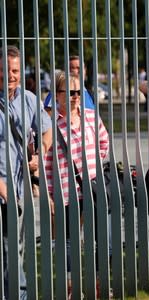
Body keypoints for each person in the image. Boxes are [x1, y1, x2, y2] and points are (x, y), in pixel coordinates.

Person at [43, 71, 109, 297]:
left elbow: (104, 142)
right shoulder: (49, 123)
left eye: (78, 92)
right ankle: (72, 287)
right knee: (70, 241)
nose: (75, 96)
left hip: (92, 187)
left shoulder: (91, 116)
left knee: (98, 237)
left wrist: (92, 166)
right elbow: (46, 161)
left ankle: (100, 284)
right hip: (64, 188)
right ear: (57, 95)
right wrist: (50, 194)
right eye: (69, 92)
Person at [0, 45, 52, 299]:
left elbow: (47, 129)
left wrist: (40, 150)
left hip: (18, 189)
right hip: (4, 188)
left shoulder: (29, 99)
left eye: (14, 70)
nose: (10, 75)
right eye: (4, 70)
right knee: (8, 250)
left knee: (15, 249)